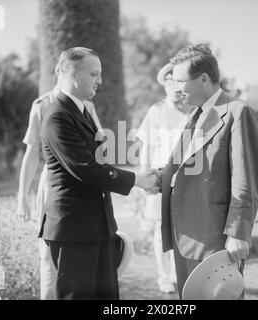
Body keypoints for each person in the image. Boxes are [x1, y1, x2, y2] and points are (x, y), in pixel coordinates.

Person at [38, 47, 158, 300]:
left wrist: (137, 175)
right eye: (94, 74)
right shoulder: (57, 116)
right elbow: (86, 169)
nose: (100, 80)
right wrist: (138, 180)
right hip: (74, 231)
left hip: (97, 227)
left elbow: (98, 163)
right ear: (72, 74)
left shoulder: (79, 110)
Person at [158, 44, 258, 298]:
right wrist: (152, 178)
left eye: (181, 80)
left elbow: (245, 181)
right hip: (185, 235)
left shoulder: (238, 112)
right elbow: (183, 168)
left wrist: (238, 234)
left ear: (204, 79)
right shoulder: (196, 114)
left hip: (215, 236)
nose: (176, 88)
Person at [17, 51, 104, 300]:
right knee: (48, 255)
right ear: (66, 73)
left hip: (86, 186)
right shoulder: (42, 106)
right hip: (55, 184)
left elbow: (98, 147)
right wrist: (22, 195)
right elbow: (32, 154)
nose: (98, 80)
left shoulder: (88, 105)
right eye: (93, 74)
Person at [136, 63, 193, 293]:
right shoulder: (156, 111)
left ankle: (180, 274)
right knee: (161, 228)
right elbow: (146, 148)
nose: (175, 87)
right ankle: (164, 276)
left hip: (188, 179)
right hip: (161, 181)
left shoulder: (193, 111)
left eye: (178, 82)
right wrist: (145, 179)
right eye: (170, 82)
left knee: (185, 227)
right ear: (165, 85)